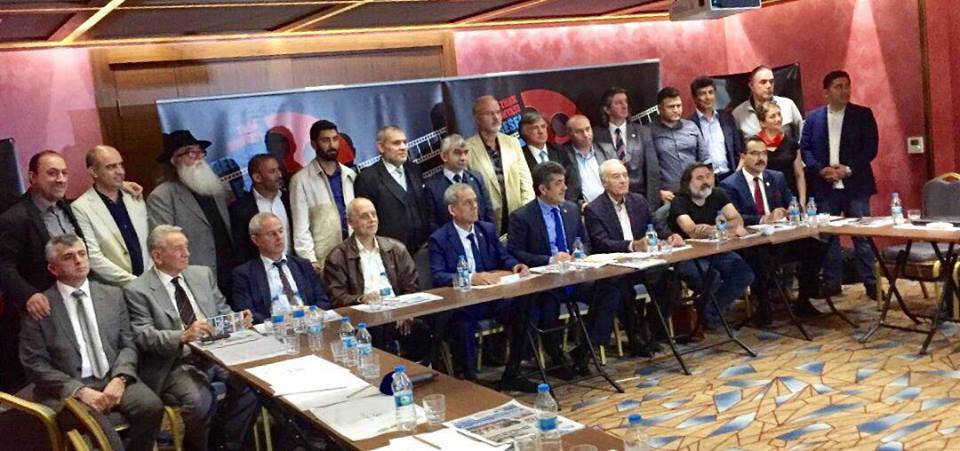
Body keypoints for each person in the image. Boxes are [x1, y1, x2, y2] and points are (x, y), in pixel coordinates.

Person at [19, 234, 162, 451]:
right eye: (68, 257)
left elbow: (128, 344)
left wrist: (120, 378)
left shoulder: (113, 295)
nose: (78, 261)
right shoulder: (40, 306)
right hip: (67, 388)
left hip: (112, 378)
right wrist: (78, 390)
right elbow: (35, 364)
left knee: (150, 406)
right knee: (100, 430)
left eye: (82, 254)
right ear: (53, 269)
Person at [124, 225, 259, 451]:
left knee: (254, 386)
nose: (186, 253)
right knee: (200, 400)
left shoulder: (202, 274)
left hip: (216, 353)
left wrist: (238, 321)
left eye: (187, 247)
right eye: (178, 249)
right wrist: (183, 336)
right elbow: (144, 336)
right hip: (175, 362)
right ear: (157, 256)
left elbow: (222, 311)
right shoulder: (137, 290)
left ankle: (226, 443)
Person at [508, 161, 619, 378]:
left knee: (610, 291)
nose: (565, 187)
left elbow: (585, 241)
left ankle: (585, 350)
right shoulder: (522, 217)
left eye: (564, 182)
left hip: (574, 277)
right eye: (558, 183)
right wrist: (549, 260)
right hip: (544, 283)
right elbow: (515, 253)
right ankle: (556, 356)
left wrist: (580, 252)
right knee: (546, 305)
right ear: (543, 189)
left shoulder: (571, 210)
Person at [427, 183, 529, 384]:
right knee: (461, 322)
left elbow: (503, 257)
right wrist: (470, 278)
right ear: (452, 210)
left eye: (475, 201)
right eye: (467, 203)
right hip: (465, 303)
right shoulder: (439, 239)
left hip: (493, 297)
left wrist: (515, 265)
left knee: (523, 308)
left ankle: (514, 373)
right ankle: (470, 379)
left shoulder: (487, 229)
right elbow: (438, 275)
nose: (475, 206)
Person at [0, 150, 84, 391]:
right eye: (52, 173)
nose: (61, 179)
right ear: (32, 177)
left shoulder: (66, 208)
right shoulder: (14, 218)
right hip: (42, 312)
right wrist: (28, 294)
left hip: (74, 302)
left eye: (64, 173)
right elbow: (3, 266)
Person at [584, 160, 684, 356]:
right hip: (617, 267)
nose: (623, 180)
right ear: (604, 183)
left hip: (643, 263)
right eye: (616, 177)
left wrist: (670, 236)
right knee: (620, 286)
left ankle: (650, 330)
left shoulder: (638, 200)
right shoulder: (594, 209)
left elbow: (655, 225)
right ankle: (635, 336)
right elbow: (601, 243)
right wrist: (632, 245)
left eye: (625, 175)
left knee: (671, 280)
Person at [720, 138, 824, 323]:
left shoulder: (776, 177)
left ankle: (804, 299)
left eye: (764, 153)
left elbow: (791, 202)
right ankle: (763, 305)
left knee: (814, 247)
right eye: (755, 154)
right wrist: (763, 219)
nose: (761, 158)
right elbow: (734, 218)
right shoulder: (729, 185)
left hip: (780, 237)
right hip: (751, 242)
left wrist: (790, 210)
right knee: (760, 256)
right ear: (743, 157)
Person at [322, 198, 434, 364]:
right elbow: (336, 297)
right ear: (350, 222)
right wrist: (360, 299)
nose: (371, 219)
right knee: (378, 333)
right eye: (364, 216)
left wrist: (405, 312)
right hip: (364, 319)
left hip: (397, 313)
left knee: (425, 330)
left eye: (373, 214)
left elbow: (412, 285)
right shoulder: (338, 257)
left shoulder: (395, 248)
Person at [801, 70, 879, 299]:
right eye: (838, 86)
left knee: (862, 236)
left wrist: (847, 169)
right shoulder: (813, 118)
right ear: (826, 92)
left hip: (856, 184)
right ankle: (832, 282)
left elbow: (870, 148)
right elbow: (805, 148)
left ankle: (872, 284)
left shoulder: (862, 114)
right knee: (828, 237)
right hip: (825, 186)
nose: (845, 90)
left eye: (847, 85)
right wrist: (820, 170)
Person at [148, 130, 236, 298]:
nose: (198, 157)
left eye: (200, 151)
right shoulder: (162, 196)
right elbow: (164, 245)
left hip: (230, 274)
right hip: (196, 280)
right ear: (174, 160)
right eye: (190, 152)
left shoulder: (214, 187)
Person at [668, 163, 754, 329]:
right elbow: (692, 231)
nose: (705, 181)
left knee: (743, 274)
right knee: (712, 278)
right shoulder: (679, 201)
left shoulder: (718, 194)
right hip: (687, 255)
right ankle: (707, 317)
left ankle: (708, 314)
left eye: (708, 176)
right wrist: (725, 228)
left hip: (715, 249)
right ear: (687, 183)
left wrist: (713, 228)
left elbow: (738, 220)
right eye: (699, 178)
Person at [71, 145, 150, 286]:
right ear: (93, 171)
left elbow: (149, 240)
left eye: (121, 165)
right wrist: (135, 282)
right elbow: (93, 257)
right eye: (111, 167)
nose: (120, 171)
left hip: (148, 281)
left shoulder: (134, 196)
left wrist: (149, 278)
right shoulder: (81, 207)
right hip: (113, 287)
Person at [233, 212, 331, 323]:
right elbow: (247, 313)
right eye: (271, 234)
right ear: (256, 240)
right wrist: (280, 322)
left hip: (309, 324)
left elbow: (323, 301)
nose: (279, 237)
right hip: (273, 328)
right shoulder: (244, 274)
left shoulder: (303, 265)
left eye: (280, 231)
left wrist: (310, 316)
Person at [289, 120, 356, 271]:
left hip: (354, 254)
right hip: (324, 261)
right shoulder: (301, 180)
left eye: (335, 139)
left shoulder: (350, 175)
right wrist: (311, 261)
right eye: (325, 140)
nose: (332, 145)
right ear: (314, 144)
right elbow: (301, 229)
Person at [354, 125, 429, 254]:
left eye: (404, 142)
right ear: (381, 147)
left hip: (424, 249)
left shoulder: (414, 170)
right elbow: (366, 222)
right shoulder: (367, 179)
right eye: (396, 143)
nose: (403, 147)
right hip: (391, 254)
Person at [466, 95, 535, 234]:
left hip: (518, 218)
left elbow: (526, 181)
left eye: (498, 112)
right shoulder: (467, 149)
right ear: (477, 119)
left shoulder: (513, 143)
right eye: (489, 113)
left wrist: (526, 213)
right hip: (487, 224)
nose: (496, 117)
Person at [594, 87, 661, 209]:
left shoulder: (643, 132)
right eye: (618, 103)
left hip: (640, 200)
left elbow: (652, 172)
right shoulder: (597, 135)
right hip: (611, 201)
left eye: (625, 102)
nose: (625, 106)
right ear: (607, 109)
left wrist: (651, 207)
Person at [644, 87, 709, 205]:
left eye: (678, 106)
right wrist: (658, 192)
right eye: (671, 107)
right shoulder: (649, 131)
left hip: (696, 190)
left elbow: (705, 158)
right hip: (669, 195)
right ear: (660, 108)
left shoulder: (691, 126)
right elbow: (647, 168)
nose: (676, 110)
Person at [423, 134, 494, 232]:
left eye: (466, 152)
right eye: (457, 153)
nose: (463, 157)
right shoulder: (432, 187)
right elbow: (433, 223)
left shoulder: (476, 178)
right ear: (444, 156)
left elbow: (488, 212)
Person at [229, 154, 291, 264]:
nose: (279, 175)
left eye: (278, 170)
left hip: (294, 266)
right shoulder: (240, 209)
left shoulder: (289, 198)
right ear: (257, 177)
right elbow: (242, 249)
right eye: (272, 171)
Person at [689, 77, 743, 182]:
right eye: (702, 94)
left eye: (711, 92)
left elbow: (738, 148)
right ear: (695, 98)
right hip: (707, 180)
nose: (708, 97)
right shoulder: (690, 125)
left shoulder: (727, 117)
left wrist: (738, 171)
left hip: (731, 175)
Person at [755, 101, 807, 206]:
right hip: (765, 197)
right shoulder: (755, 144)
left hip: (790, 195)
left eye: (779, 114)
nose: (778, 119)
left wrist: (802, 201)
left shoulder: (791, 143)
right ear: (762, 123)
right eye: (772, 116)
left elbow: (799, 174)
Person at [732, 65, 804, 140]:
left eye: (771, 82)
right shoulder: (738, 114)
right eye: (763, 82)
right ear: (751, 85)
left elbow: (802, 134)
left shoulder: (788, 105)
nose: (769, 86)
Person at [562, 114, 616, 206]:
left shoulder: (607, 150)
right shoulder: (563, 155)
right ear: (569, 134)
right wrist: (579, 205)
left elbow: (618, 178)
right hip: (583, 208)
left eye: (588, 129)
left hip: (611, 204)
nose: (586, 135)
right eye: (579, 132)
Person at [519, 110, 571, 176]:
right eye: (535, 128)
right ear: (525, 132)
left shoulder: (560, 150)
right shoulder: (520, 158)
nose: (541, 131)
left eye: (543, 126)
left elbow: (571, 178)